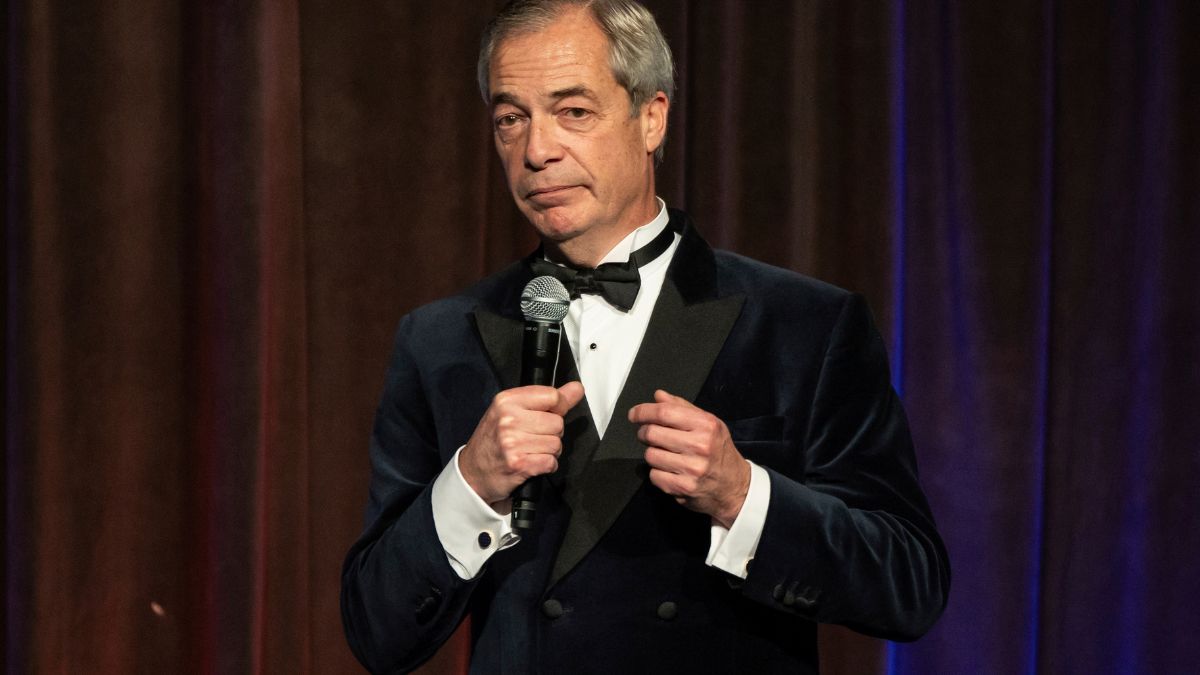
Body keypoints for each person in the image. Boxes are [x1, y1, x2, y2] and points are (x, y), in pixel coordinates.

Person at [341, 1, 949, 672]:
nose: (537, 150)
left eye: (573, 111)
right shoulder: (438, 341)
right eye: (512, 119)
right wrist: (470, 484)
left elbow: (909, 585)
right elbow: (377, 630)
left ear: (651, 117)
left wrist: (743, 493)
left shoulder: (806, 324)